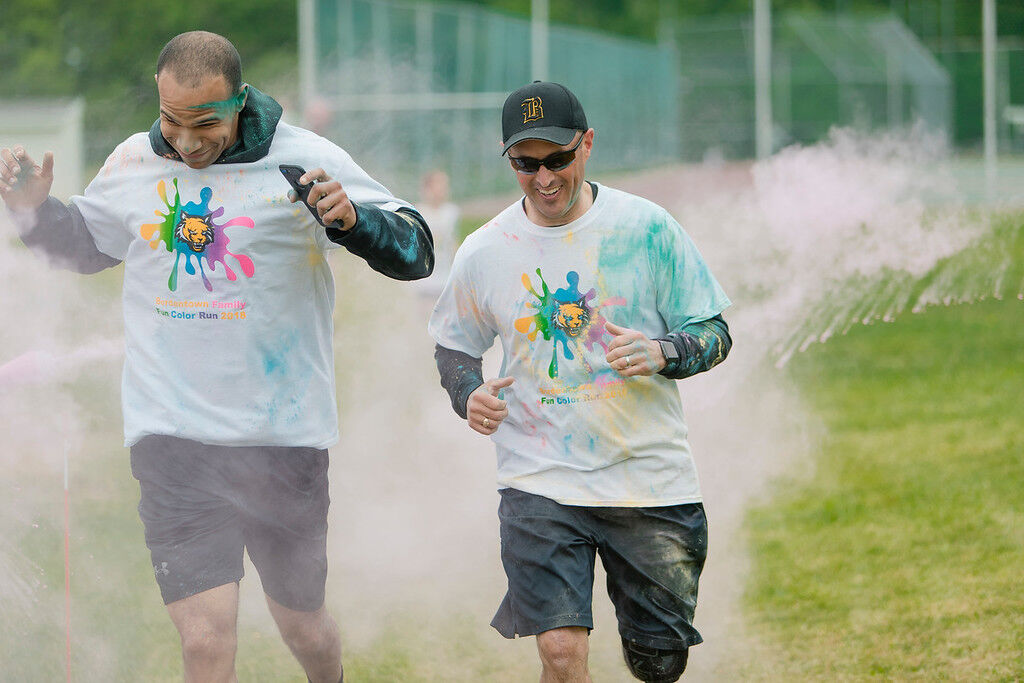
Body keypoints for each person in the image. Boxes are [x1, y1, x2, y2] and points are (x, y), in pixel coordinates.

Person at [0, 31, 432, 683]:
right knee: (205, 640)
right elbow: (82, 249)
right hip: (173, 438)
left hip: (283, 436)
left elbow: (417, 250)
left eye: (205, 123)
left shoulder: (304, 159)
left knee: (304, 626)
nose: (186, 141)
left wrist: (351, 222)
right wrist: (32, 213)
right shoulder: (130, 164)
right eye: (172, 121)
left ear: (240, 101)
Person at [428, 81, 732, 683]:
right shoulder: (485, 250)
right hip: (539, 479)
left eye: (557, 160)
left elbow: (715, 331)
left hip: (647, 476)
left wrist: (665, 350)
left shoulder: (648, 229)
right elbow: (454, 346)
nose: (543, 178)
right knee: (561, 653)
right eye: (525, 163)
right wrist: (469, 393)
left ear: (586, 145)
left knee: (658, 663)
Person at [414, 169, 460, 298]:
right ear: (427, 188)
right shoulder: (418, 212)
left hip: (444, 276)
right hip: (423, 278)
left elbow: (453, 242)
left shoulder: (451, 212)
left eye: (445, 185)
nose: (442, 189)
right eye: (438, 185)